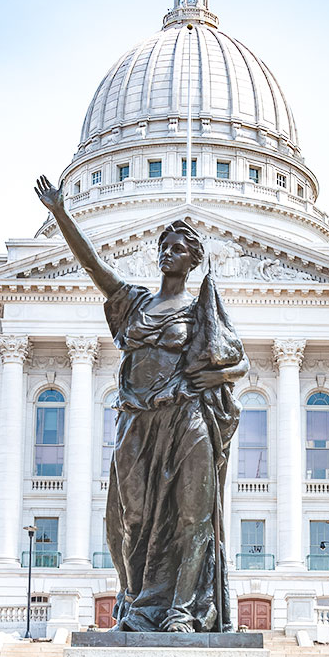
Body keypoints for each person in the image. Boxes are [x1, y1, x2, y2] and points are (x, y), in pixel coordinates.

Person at [35, 176, 249, 632]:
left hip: (186, 419)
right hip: (138, 421)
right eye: (163, 246)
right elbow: (93, 266)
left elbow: (238, 363)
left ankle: (181, 610)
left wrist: (217, 375)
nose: (166, 252)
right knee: (129, 519)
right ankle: (136, 603)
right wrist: (61, 215)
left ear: (194, 259)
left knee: (193, 514)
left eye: (177, 247)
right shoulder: (134, 304)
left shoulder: (201, 311)